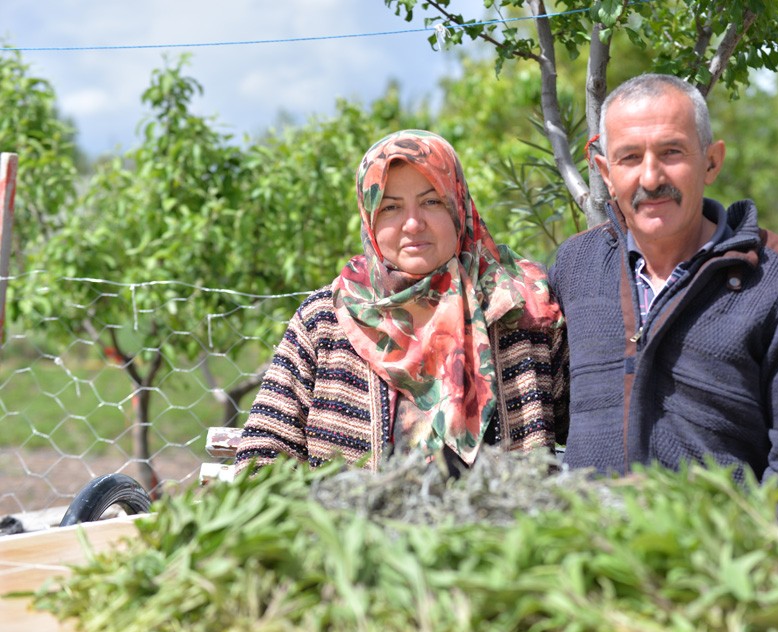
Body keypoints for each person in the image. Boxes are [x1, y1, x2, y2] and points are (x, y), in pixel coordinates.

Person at [549, 74, 778, 525]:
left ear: (712, 162)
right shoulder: (576, 267)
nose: (651, 177)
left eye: (671, 153)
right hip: (585, 558)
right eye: (629, 158)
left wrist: (732, 558)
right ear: (604, 173)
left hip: (715, 566)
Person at [235, 129, 566, 474]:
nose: (413, 223)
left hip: (506, 526)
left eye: (431, 201)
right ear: (370, 217)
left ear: (459, 206)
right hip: (353, 525)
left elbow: (598, 416)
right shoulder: (325, 321)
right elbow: (263, 454)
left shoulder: (517, 307)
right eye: (391, 207)